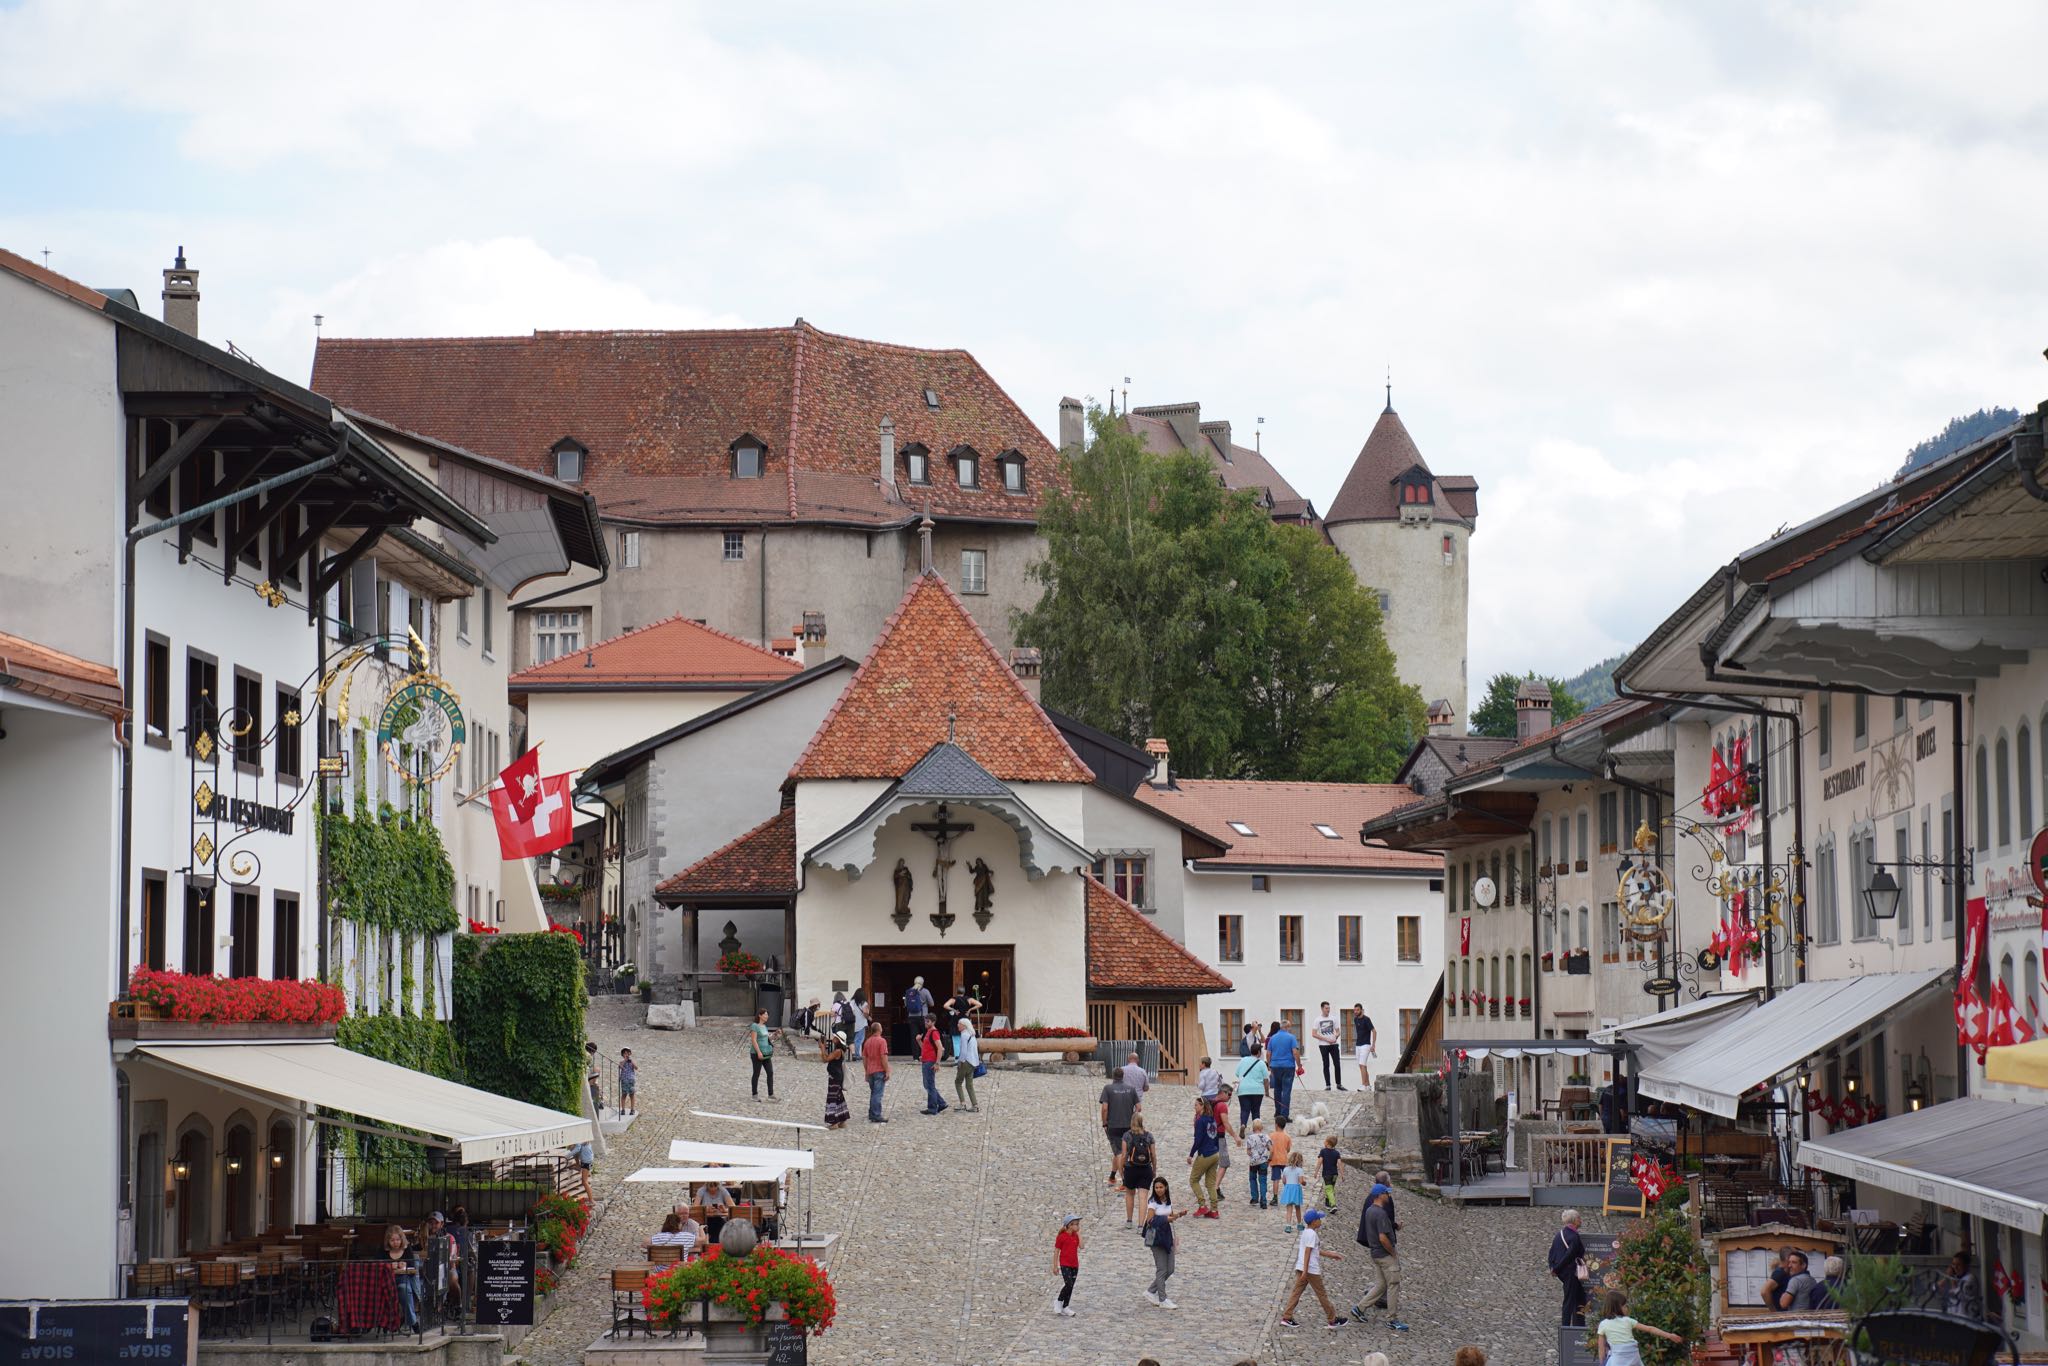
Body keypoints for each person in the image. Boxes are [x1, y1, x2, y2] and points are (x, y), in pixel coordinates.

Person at [1277, 1207, 1348, 1329]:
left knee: (1296, 1293)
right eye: (1319, 1219)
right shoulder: (1312, 1234)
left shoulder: (1305, 1232)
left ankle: (1286, 1317)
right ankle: (1332, 1319)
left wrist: (1331, 1255)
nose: (1321, 1221)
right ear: (1314, 1221)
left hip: (1302, 1267)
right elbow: (1308, 1252)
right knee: (1322, 1294)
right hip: (1310, 1269)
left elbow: (1314, 1250)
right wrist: (1306, 1271)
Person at [1352, 1184, 1408, 1332]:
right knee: (1393, 1284)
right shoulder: (1381, 1213)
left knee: (1381, 1285)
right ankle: (1392, 1319)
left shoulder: (1370, 1210)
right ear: (1380, 1195)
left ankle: (1359, 1308)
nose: (1388, 1196)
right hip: (1385, 1255)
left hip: (1375, 1254)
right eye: (1386, 1193)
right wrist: (1393, 1253)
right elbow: (1383, 1237)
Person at [1594, 1288, 1684, 1364]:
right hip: (1633, 1357)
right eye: (1625, 1306)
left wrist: (1602, 1362)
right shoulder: (1628, 1321)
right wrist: (1669, 1335)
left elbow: (1601, 1348)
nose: (1627, 1308)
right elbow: (1650, 1329)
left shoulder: (1603, 1324)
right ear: (1617, 1307)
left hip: (1618, 1358)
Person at [1142, 1178, 1185, 1309]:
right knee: (1162, 1269)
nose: (1159, 1190)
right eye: (1156, 1188)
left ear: (1165, 1187)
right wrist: (1166, 1218)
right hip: (1156, 1238)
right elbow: (1150, 1220)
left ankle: (1150, 1291)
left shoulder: (1167, 1201)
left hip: (1167, 1236)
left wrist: (1179, 1215)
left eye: (1161, 1187)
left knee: (1170, 1269)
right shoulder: (1152, 1203)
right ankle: (1162, 1298)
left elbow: (1170, 1217)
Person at [1100, 1069, 1140, 1185]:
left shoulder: (1108, 1089)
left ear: (1113, 1076)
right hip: (1128, 1126)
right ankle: (1112, 1176)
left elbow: (1104, 1108)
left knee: (1119, 1153)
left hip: (1113, 1125)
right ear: (1123, 1076)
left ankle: (1124, 1180)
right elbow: (1139, 1107)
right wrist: (1134, 1119)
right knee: (1120, 1152)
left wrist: (1104, 1122)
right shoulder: (1131, 1089)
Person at [1552, 1208, 1590, 1325]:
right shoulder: (1574, 1237)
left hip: (1564, 1273)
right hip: (1571, 1272)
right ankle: (1566, 1327)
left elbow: (1552, 1253)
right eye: (1579, 1218)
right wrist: (1556, 1269)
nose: (1580, 1220)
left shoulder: (1560, 1234)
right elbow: (1569, 1255)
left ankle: (1579, 1325)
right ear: (1574, 1220)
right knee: (1569, 1301)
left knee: (1579, 1298)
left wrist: (1553, 1268)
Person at [1187, 1097, 1223, 1215]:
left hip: (1205, 1154)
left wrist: (1191, 1155)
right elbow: (1216, 1136)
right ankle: (1214, 1209)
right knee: (1211, 1183)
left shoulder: (1200, 1121)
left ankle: (1202, 1205)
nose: (1194, 1107)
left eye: (1196, 1105)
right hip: (1215, 1154)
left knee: (1193, 1180)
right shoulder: (1212, 1120)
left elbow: (1198, 1140)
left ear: (1202, 1106)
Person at [1119, 1117, 1157, 1226]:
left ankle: (1129, 1221)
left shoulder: (1127, 1135)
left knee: (1130, 1194)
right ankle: (1141, 1225)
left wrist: (1121, 1170)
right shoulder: (1149, 1135)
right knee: (1143, 1197)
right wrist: (1154, 1170)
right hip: (1146, 1169)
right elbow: (1153, 1155)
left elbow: (1124, 1155)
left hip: (1131, 1169)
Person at [383, 1224, 421, 1332]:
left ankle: (411, 1321)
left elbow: (412, 1266)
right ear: (388, 1241)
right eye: (392, 1240)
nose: (395, 1243)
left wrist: (404, 1265)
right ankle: (411, 1322)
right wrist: (389, 1266)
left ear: (402, 1239)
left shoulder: (407, 1249)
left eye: (397, 1240)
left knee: (405, 1289)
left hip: (403, 1279)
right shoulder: (383, 1252)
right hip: (387, 1282)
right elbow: (377, 1264)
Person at [1266, 1018, 1300, 1121]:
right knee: (1286, 1091)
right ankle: (1284, 1115)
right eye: (1289, 1027)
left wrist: (1269, 1065)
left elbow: (1268, 1053)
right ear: (1286, 1027)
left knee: (1277, 1089)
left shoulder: (1272, 1038)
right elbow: (1295, 1052)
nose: (1290, 1029)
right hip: (1288, 1066)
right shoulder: (1291, 1038)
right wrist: (1299, 1065)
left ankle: (1277, 1112)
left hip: (1275, 1066)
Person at [1052, 1213, 1082, 1317]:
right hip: (1065, 1264)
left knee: (1071, 1286)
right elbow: (1056, 1251)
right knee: (1068, 1283)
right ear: (1070, 1225)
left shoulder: (1075, 1236)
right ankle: (1059, 1300)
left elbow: (1082, 1246)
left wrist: (1079, 1234)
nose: (1078, 1226)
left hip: (1075, 1265)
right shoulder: (1062, 1237)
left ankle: (1065, 1306)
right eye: (1076, 1224)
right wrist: (1055, 1266)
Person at [918, 1015, 949, 1115]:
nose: (926, 1023)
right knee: (927, 1085)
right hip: (926, 1061)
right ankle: (941, 1103)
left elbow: (940, 1048)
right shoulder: (928, 1032)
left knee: (929, 1085)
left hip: (930, 1062)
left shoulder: (934, 1033)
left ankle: (932, 1108)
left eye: (928, 1021)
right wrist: (918, 1041)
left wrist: (937, 1063)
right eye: (925, 1021)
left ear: (933, 1022)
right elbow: (925, 1047)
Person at [821, 1029, 851, 1129]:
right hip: (837, 1076)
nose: (833, 1038)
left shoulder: (838, 1051)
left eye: (835, 1037)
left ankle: (834, 1122)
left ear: (838, 1040)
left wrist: (822, 1048)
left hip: (835, 1077)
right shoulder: (840, 1050)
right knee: (839, 1097)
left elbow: (825, 1059)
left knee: (832, 1097)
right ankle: (842, 1119)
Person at [862, 1020, 890, 1122]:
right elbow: (883, 1057)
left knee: (873, 1093)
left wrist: (866, 1071)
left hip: (870, 1070)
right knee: (878, 1094)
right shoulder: (882, 1041)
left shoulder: (867, 1041)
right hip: (879, 1070)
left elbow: (864, 1057)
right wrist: (887, 1070)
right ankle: (876, 1114)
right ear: (879, 1029)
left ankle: (871, 1113)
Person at [1233, 1048, 1268, 1127]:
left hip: (1243, 1089)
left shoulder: (1243, 1060)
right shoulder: (1261, 1063)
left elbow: (1237, 1073)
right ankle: (1256, 1128)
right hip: (1257, 1090)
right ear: (1258, 1052)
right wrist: (1267, 1092)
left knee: (1244, 1109)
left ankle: (1243, 1124)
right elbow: (1266, 1079)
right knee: (1256, 1111)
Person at [1312, 1003, 1344, 1090]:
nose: (1328, 1010)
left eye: (1329, 1008)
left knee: (1337, 1064)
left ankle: (1339, 1084)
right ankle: (1328, 1085)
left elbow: (1338, 1031)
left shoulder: (1334, 1018)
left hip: (1333, 1044)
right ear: (1322, 1008)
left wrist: (1335, 1037)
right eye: (1326, 1008)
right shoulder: (1317, 1020)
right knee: (1326, 1064)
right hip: (1323, 1045)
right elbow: (1314, 1034)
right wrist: (1326, 1039)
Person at [749, 1007, 778, 1103]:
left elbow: (767, 1038)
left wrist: (775, 1034)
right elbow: (753, 1040)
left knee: (770, 1072)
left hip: (766, 1053)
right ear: (760, 1015)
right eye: (765, 1014)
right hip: (757, 1053)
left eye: (767, 1014)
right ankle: (754, 1095)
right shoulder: (754, 1026)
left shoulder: (764, 1026)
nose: (767, 1016)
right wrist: (759, 1052)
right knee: (756, 1073)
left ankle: (771, 1094)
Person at [954, 1016, 981, 1112]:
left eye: (959, 1024)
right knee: (969, 1085)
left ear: (964, 1026)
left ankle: (962, 1104)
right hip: (973, 1062)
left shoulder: (964, 1035)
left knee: (958, 1082)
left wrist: (960, 1062)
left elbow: (963, 1051)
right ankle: (975, 1105)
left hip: (965, 1062)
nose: (958, 1025)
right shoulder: (972, 1034)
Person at [1944, 1251, 1981, 1320]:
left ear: (1966, 1266)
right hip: (1953, 1318)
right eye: (1953, 1264)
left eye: (1958, 1265)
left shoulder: (1970, 1279)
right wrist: (1945, 1278)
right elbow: (1935, 1289)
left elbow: (1958, 1296)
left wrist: (1952, 1279)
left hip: (1966, 1319)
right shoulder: (1955, 1278)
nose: (1955, 1267)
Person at [1245, 1119, 1273, 1210]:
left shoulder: (1250, 1138)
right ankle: (1263, 1201)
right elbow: (1271, 1149)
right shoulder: (1266, 1137)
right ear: (1262, 1127)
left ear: (1253, 1128)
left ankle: (1254, 1198)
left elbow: (1248, 1151)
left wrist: (1252, 1154)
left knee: (1252, 1179)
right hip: (1263, 1161)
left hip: (1253, 1162)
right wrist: (1269, 1158)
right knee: (1263, 1180)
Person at [1278, 1151, 1306, 1232]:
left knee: (1289, 1208)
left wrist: (1287, 1185)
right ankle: (1299, 1224)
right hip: (1296, 1189)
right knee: (1298, 1208)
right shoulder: (1299, 1170)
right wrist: (1304, 1183)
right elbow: (1301, 1181)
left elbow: (1283, 1180)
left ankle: (1288, 1225)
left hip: (1288, 1189)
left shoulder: (1286, 1169)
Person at [1352, 1003, 1376, 1087]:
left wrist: (1373, 1045)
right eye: (1354, 1010)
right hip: (1358, 1045)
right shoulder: (1355, 1019)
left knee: (1362, 1064)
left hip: (1366, 1045)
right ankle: (1368, 1085)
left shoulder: (1367, 1019)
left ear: (1361, 1010)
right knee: (1362, 1066)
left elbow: (1374, 1031)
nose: (1355, 1011)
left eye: (1357, 1010)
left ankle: (1363, 1085)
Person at [904, 974, 934, 1039]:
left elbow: (906, 1004)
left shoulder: (908, 991)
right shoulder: (925, 991)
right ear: (922, 983)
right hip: (923, 1016)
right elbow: (932, 1004)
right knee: (925, 1035)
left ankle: (915, 1049)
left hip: (911, 1016)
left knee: (914, 1036)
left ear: (914, 982)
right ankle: (924, 1049)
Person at [1318, 1135, 1342, 1210]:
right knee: (1330, 1189)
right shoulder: (1337, 1153)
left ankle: (1333, 1205)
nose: (1324, 1142)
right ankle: (1327, 1203)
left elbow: (1319, 1162)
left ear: (1327, 1143)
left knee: (1329, 1189)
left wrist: (1316, 1172)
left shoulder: (1323, 1151)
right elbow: (1339, 1164)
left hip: (1327, 1174)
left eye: (1325, 1140)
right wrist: (1342, 1174)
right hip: (1335, 1174)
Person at [849, 987, 870, 1057]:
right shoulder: (864, 1003)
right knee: (859, 1040)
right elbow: (865, 1013)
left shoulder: (851, 1002)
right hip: (861, 1024)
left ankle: (853, 1053)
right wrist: (869, 1017)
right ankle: (857, 1055)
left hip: (853, 1024)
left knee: (854, 1040)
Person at [618, 1047, 637, 1116]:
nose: (626, 1054)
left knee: (632, 1095)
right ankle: (623, 1109)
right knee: (624, 1095)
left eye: (627, 1053)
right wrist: (625, 1060)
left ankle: (632, 1109)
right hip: (624, 1080)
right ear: (622, 1055)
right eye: (624, 1053)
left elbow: (636, 1068)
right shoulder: (621, 1062)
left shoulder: (631, 1061)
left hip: (631, 1080)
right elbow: (620, 1066)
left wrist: (631, 1061)